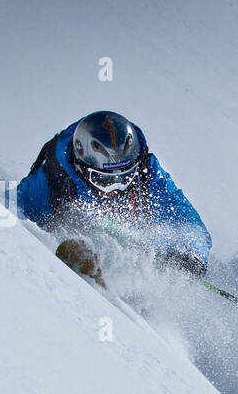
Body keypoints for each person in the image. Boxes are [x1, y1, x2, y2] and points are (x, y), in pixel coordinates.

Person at [16, 111, 212, 282]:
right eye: (105, 180)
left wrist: (191, 254)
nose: (117, 189)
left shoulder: (148, 173)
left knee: (142, 246)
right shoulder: (55, 179)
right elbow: (13, 209)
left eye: (126, 176)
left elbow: (189, 222)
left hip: (142, 253)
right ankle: (92, 262)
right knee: (98, 231)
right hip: (76, 237)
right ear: (82, 170)